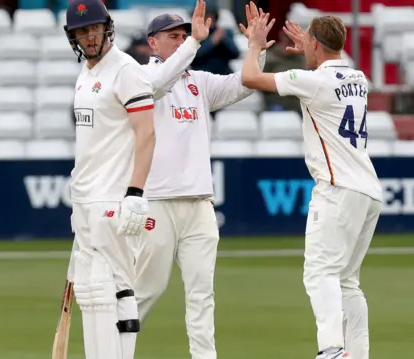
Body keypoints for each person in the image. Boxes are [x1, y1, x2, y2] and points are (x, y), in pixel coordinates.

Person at [133, 2, 272, 359]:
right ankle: (113, 349)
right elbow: (158, 84)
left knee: (201, 293)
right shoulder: (140, 77)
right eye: (173, 37)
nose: (181, 42)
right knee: (147, 290)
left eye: (184, 36)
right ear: (153, 43)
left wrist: (255, 48)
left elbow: (245, 84)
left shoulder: (199, 83)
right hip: (158, 202)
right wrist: (195, 43)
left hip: (198, 204)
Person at [241, 14, 383, 359]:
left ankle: (332, 349)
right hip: (368, 189)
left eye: (309, 42)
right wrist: (312, 46)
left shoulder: (312, 81)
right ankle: (357, 353)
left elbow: (249, 78)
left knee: (319, 273)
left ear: (316, 44)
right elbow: (330, 62)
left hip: (337, 188)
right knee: (347, 280)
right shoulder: (358, 77)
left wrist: (255, 45)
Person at [63, 1, 156, 359]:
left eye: (94, 29)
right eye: (81, 32)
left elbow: (147, 134)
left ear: (108, 28)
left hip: (113, 196)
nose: (89, 37)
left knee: (116, 286)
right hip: (84, 197)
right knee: (89, 290)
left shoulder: (126, 71)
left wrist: (135, 192)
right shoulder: (85, 73)